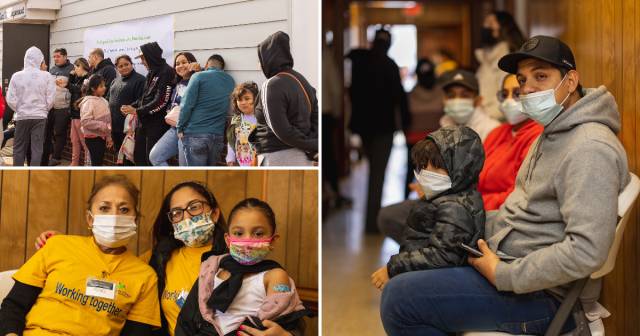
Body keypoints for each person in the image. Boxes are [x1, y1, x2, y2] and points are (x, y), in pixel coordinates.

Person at [380, 35, 629, 335]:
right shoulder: (552, 133)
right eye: (523, 80)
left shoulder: (589, 147)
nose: (528, 89)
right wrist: (461, 229)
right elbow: (520, 211)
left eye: (541, 76)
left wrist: (503, 273)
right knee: (420, 245)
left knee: (399, 299)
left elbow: (587, 250)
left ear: (571, 80)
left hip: (541, 296)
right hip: (505, 262)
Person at [35, 181, 299, 336]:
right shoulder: (158, 258)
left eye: (194, 207)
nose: (186, 217)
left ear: (215, 213)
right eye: (177, 213)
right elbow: (112, 267)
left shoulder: (243, 257)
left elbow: (285, 311)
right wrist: (62, 243)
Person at [0, 175, 161, 335]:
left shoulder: (145, 277)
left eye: (124, 209)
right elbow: (14, 307)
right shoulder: (58, 245)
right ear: (90, 219)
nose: (114, 216)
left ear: (135, 219)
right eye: (104, 208)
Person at [174, 198, 311, 335]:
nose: (248, 241)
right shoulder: (212, 269)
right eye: (239, 233)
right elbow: (188, 316)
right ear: (228, 240)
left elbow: (283, 321)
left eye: (258, 234)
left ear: (273, 240)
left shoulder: (274, 275)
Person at [371, 126, 485, 289]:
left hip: (443, 280)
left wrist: (395, 267)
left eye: (437, 167)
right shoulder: (446, 197)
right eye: (423, 166)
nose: (426, 173)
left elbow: (443, 255)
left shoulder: (456, 208)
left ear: (461, 170)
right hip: (430, 272)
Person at [346, 28, 409, 232]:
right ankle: (372, 225)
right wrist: (406, 124)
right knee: (377, 175)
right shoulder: (389, 65)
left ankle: (371, 222)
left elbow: (353, 94)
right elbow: (400, 98)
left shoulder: (359, 61)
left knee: (373, 173)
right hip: (383, 128)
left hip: (364, 128)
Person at [478, 73, 543, 210]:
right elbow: (473, 175)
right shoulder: (497, 133)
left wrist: (473, 204)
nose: (508, 101)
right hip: (477, 210)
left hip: (504, 216)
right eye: (504, 94)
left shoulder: (538, 135)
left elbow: (518, 194)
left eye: (517, 94)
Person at [255, 31, 318, 167]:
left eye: (260, 59)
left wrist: (310, 144)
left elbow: (282, 131)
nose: (259, 65)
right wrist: (313, 143)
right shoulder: (302, 80)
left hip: (277, 157)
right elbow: (315, 119)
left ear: (269, 58)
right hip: (304, 157)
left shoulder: (271, 85)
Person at [121, 42, 174, 166]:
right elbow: (145, 97)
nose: (142, 62)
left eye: (143, 58)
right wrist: (132, 106)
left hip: (157, 124)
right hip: (144, 122)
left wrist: (137, 111)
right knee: (139, 158)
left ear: (151, 56)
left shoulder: (166, 71)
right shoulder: (151, 72)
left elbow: (161, 101)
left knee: (152, 159)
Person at [177, 53, 235, 166]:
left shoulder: (198, 76)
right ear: (222, 68)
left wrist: (180, 127)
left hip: (195, 134)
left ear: (207, 64)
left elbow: (186, 104)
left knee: (195, 174)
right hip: (217, 137)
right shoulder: (230, 81)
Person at [6, 46, 55, 166]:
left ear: (25, 59)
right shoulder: (47, 76)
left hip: (22, 117)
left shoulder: (17, 76)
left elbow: (10, 99)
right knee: (37, 148)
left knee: (19, 147)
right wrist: (43, 110)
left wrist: (20, 109)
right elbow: (51, 98)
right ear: (40, 60)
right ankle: (33, 175)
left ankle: (17, 175)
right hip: (40, 117)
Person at [150, 52, 200, 166]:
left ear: (192, 63)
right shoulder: (177, 83)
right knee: (155, 157)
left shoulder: (198, 80)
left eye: (184, 62)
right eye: (177, 63)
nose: (180, 66)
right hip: (174, 128)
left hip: (189, 130)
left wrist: (199, 71)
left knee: (185, 166)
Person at [404, 59, 444, 198]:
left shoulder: (410, 96)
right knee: (414, 174)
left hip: (431, 143)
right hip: (424, 142)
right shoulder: (409, 96)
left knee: (431, 176)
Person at [476, 11, 526, 121]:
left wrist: (487, 118)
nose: (485, 27)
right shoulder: (485, 59)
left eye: (490, 23)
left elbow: (509, 96)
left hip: (499, 120)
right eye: (485, 23)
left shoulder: (509, 59)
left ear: (503, 27)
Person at [439, 69, 500, 141]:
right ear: (444, 100)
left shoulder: (492, 130)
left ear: (478, 100)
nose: (457, 100)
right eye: (451, 95)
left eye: (465, 95)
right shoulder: (444, 126)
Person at [109, 54, 146, 164]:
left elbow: (142, 101)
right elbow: (108, 98)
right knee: (118, 154)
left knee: (129, 157)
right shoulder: (115, 80)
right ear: (117, 68)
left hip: (129, 128)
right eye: (120, 66)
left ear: (132, 64)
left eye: (126, 64)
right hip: (114, 126)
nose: (124, 67)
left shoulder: (140, 80)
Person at [42, 48, 75, 166]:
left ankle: (56, 158)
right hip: (50, 107)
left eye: (58, 56)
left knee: (59, 133)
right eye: (54, 56)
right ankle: (47, 155)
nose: (55, 58)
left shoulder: (72, 69)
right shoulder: (52, 69)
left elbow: (75, 88)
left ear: (65, 56)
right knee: (47, 132)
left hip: (63, 107)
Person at [79, 74, 113, 166]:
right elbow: (85, 121)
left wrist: (109, 137)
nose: (104, 88)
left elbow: (108, 121)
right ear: (93, 89)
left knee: (98, 161)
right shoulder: (88, 102)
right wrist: (102, 126)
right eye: (101, 86)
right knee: (96, 163)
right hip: (92, 138)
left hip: (102, 137)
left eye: (104, 85)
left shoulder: (104, 101)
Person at [226, 82, 259, 166]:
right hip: (241, 163)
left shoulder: (260, 119)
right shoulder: (236, 119)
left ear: (255, 99)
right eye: (239, 100)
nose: (243, 102)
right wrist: (230, 158)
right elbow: (231, 141)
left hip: (257, 163)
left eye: (247, 99)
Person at [68, 57, 92, 166]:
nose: (74, 70)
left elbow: (79, 89)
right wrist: (71, 76)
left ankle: (88, 164)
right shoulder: (77, 78)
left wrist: (68, 84)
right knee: (74, 140)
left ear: (81, 66)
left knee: (84, 142)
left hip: (81, 114)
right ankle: (74, 163)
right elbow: (71, 87)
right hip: (74, 114)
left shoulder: (88, 78)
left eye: (76, 67)